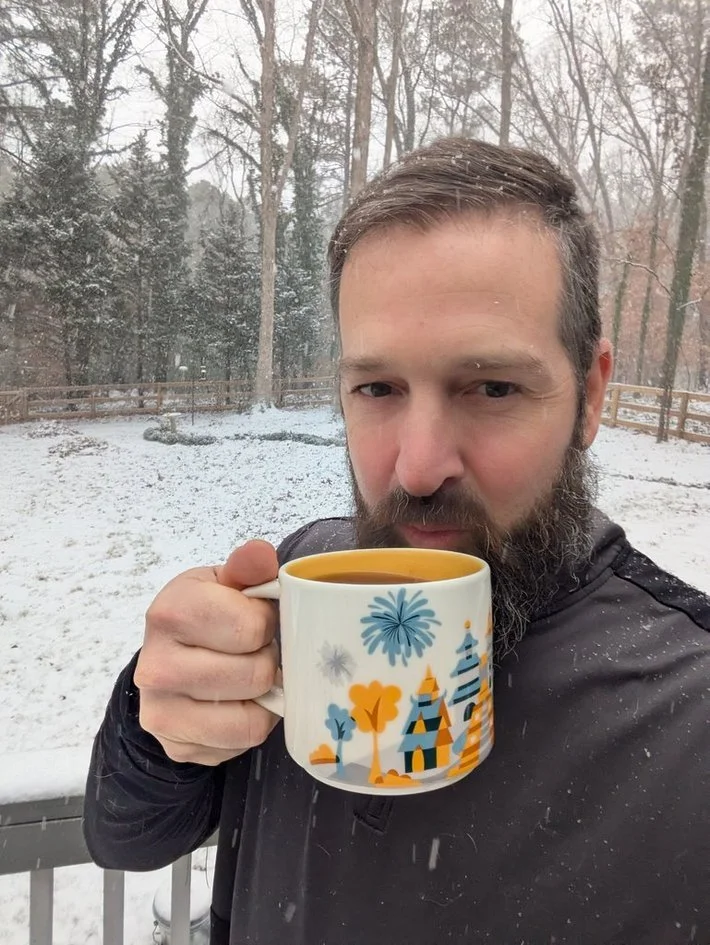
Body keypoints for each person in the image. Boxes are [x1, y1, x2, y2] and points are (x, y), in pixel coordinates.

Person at [83, 138, 710, 945]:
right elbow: (128, 836)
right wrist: (154, 720)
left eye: (491, 386)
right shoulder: (299, 583)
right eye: (377, 388)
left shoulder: (687, 705)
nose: (416, 467)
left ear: (589, 395)